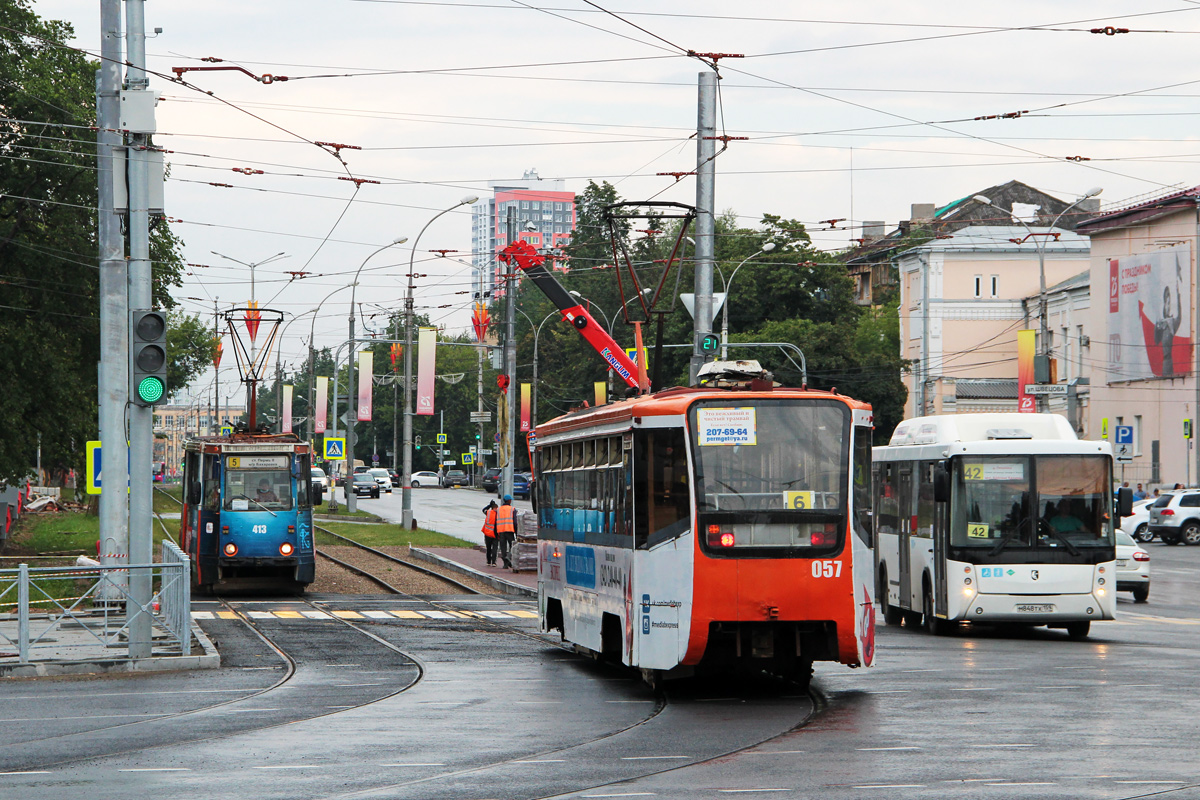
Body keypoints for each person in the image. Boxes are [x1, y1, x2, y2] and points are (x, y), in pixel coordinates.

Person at [495, 495, 517, 569]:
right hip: (509, 530)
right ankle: (509, 557)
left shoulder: (499, 509)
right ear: (509, 501)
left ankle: (505, 563)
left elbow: (496, 521)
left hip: (501, 531)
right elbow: (515, 522)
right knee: (513, 546)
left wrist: (496, 532)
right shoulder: (512, 509)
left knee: (503, 548)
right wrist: (516, 532)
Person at [482, 499, 499, 566]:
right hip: (495, 534)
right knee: (495, 548)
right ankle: (494, 562)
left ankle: (488, 561)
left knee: (488, 548)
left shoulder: (488, 512)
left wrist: (489, 505)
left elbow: (483, 510)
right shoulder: (498, 515)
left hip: (487, 533)